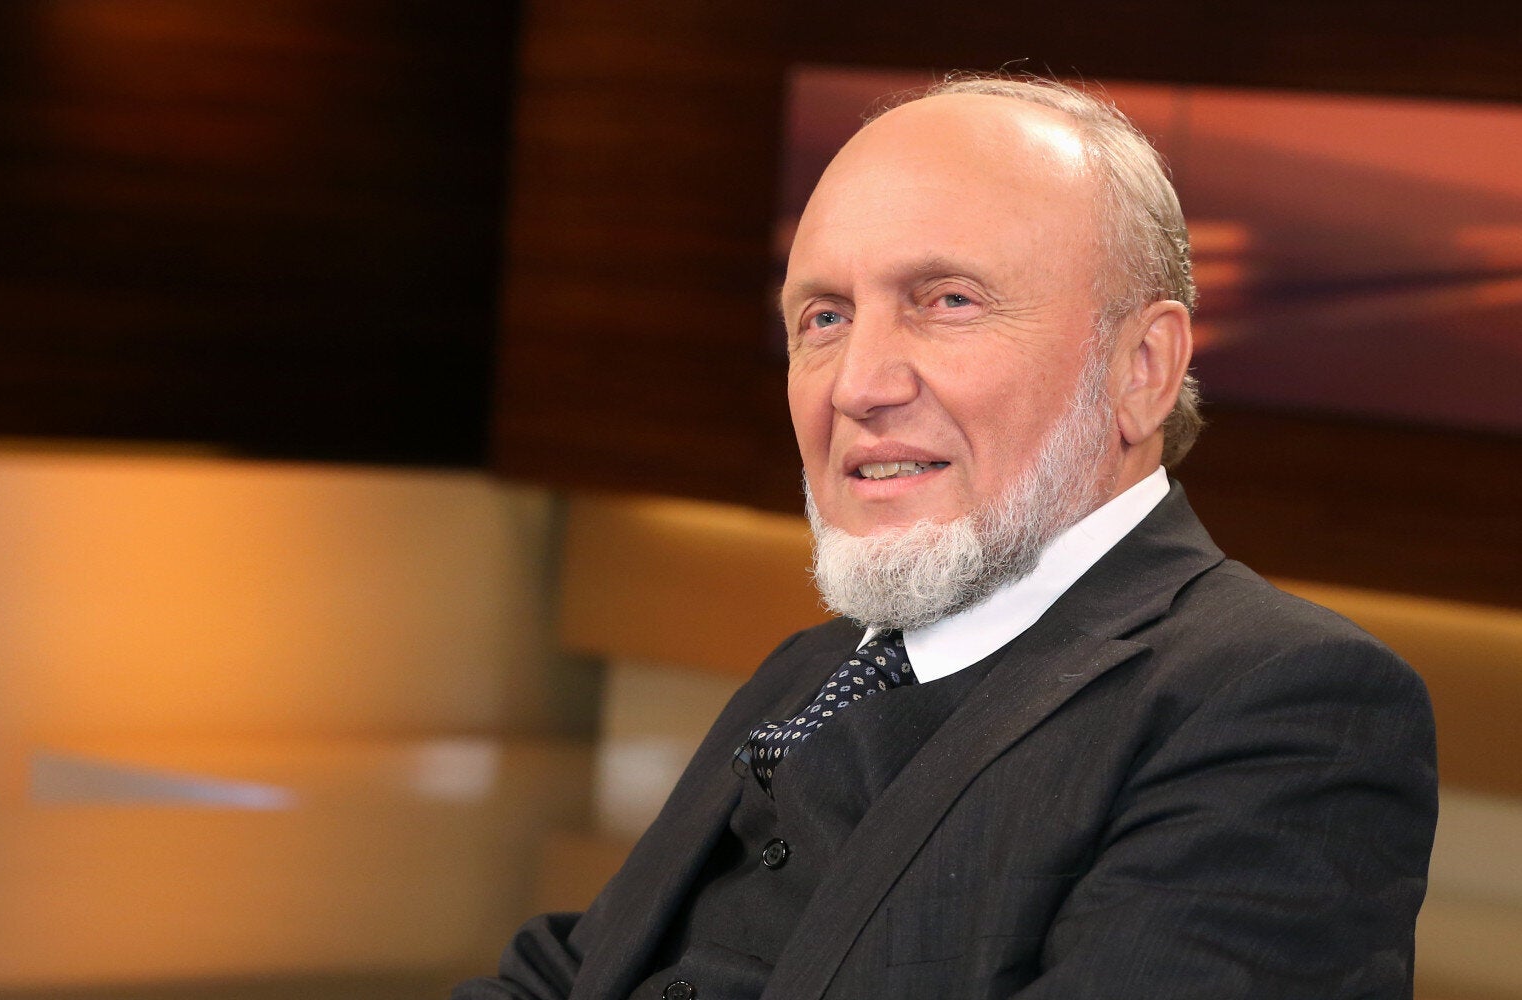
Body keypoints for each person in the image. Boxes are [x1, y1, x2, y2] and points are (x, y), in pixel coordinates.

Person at [457, 73, 1437, 1000]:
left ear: (1141, 368)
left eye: (947, 302)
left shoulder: (1282, 703)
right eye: (824, 317)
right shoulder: (816, 669)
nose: (858, 385)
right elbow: (577, 971)